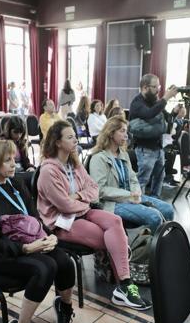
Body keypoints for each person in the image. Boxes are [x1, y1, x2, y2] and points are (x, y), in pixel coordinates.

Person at [0, 140, 75, 323]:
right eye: (7, 160)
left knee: (64, 260)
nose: (13, 163)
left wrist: (48, 236)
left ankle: (64, 307)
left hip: (30, 241)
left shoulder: (15, 184)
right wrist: (25, 249)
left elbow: (33, 217)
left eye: (13, 158)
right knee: (44, 268)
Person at [37, 120, 150, 310]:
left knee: (115, 221)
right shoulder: (48, 171)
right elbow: (64, 205)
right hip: (61, 222)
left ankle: (124, 284)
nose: (76, 140)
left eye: (75, 136)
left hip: (82, 211)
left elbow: (94, 189)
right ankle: (124, 282)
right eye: (70, 137)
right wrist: (83, 201)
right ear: (57, 142)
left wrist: (80, 196)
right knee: (109, 237)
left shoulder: (75, 164)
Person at [89, 116, 174, 232]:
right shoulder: (98, 158)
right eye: (122, 131)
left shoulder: (123, 154)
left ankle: (165, 243)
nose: (126, 135)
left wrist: (137, 191)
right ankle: (150, 248)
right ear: (110, 133)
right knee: (154, 217)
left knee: (168, 209)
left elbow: (133, 178)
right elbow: (100, 190)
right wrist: (129, 195)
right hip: (112, 203)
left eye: (126, 131)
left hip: (131, 197)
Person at [128, 74, 179, 197]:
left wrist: (174, 113)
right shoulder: (137, 102)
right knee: (143, 179)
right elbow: (149, 113)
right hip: (145, 149)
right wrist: (165, 98)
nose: (158, 90)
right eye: (155, 87)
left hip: (158, 147)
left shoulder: (154, 101)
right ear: (145, 88)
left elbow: (165, 116)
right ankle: (137, 204)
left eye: (159, 86)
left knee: (159, 177)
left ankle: (155, 200)